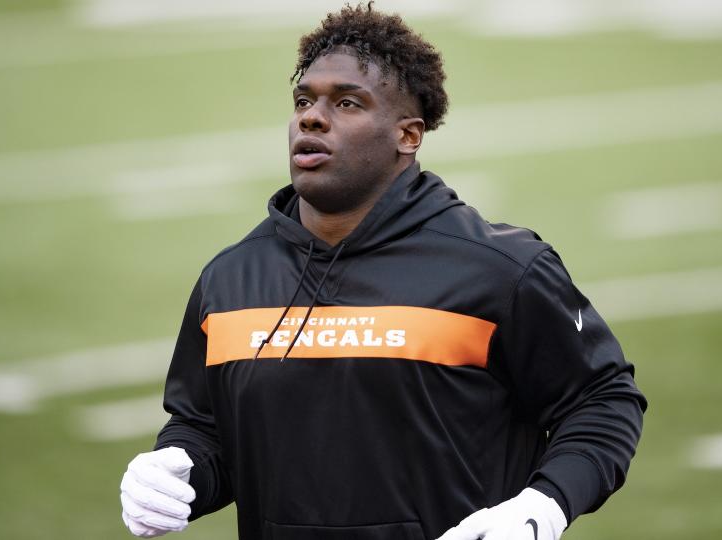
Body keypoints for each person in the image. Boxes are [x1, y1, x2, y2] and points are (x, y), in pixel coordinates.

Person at [119, 4, 646, 539]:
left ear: (408, 136)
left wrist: (543, 507)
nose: (312, 117)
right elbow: (208, 432)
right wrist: (175, 470)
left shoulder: (499, 270)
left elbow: (603, 401)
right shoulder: (229, 281)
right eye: (304, 101)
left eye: (347, 103)